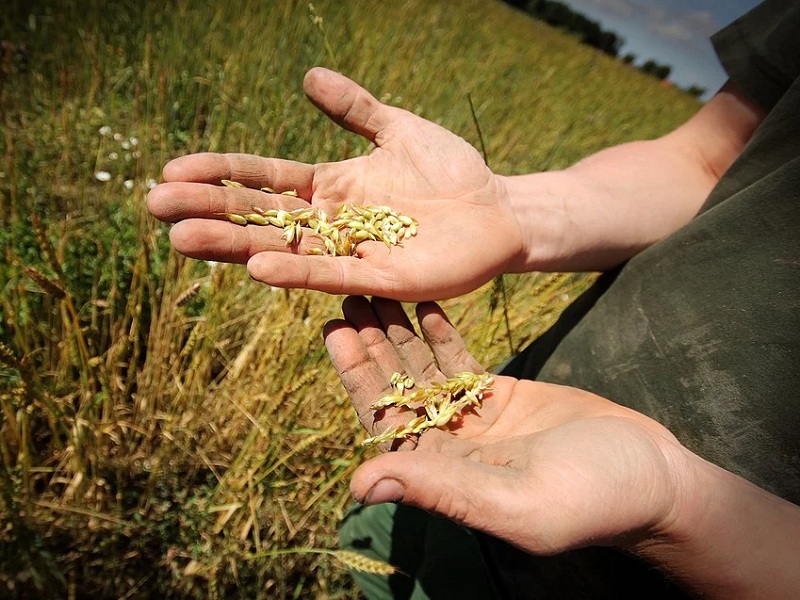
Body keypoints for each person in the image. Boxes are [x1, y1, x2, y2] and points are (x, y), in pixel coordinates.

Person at [147, 0, 799, 597]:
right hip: (488, 416)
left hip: (628, 558)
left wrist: (679, 509)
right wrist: (511, 210)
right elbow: (711, 161)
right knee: (375, 563)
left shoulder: (663, 506)